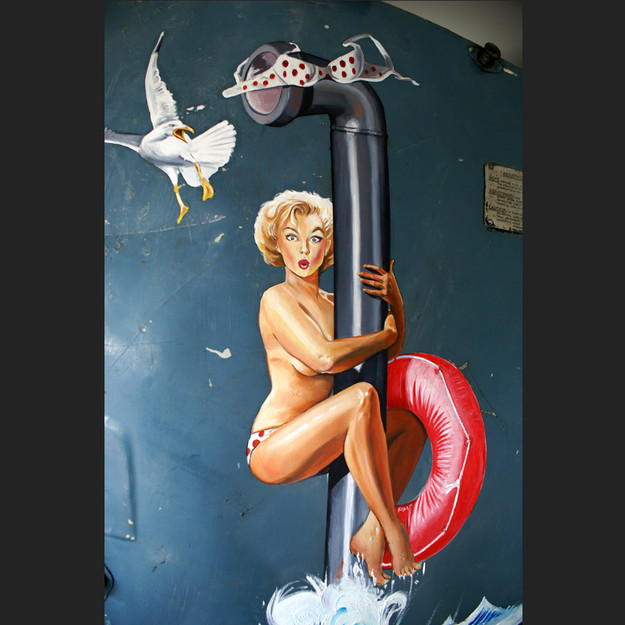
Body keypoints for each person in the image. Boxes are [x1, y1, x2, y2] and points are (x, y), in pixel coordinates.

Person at [247, 189, 427, 584]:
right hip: (274, 443)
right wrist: (383, 336)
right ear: (277, 243)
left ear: (328, 244)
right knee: (362, 397)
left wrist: (395, 305)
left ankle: (371, 534)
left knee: (410, 428)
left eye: (315, 237)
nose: (304, 249)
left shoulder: (334, 304)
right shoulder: (276, 299)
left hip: (323, 436)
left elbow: (383, 353)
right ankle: (393, 529)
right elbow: (324, 358)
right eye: (292, 236)